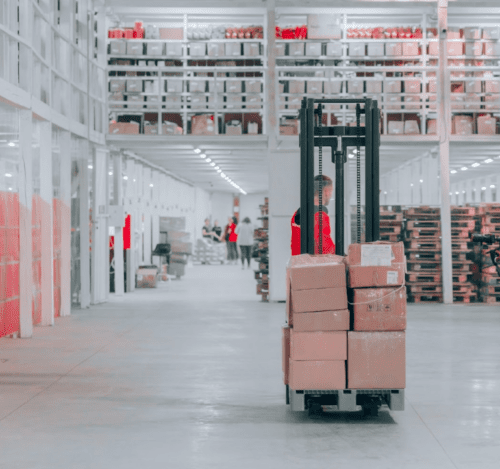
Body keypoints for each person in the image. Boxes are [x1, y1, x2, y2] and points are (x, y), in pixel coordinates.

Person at [291, 175, 336, 256]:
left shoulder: (298, 214)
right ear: (326, 191)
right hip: (313, 266)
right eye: (331, 191)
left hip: (301, 265)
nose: (331, 195)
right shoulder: (319, 215)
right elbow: (325, 248)